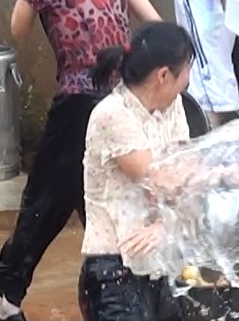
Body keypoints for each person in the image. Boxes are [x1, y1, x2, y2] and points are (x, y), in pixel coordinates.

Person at [0, 0, 161, 321]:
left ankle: (10, 300)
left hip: (78, 103)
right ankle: (125, 291)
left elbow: (17, 29)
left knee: (43, 202)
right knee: (101, 196)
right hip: (125, 99)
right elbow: (152, 21)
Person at [79, 21, 193, 321]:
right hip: (113, 273)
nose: (188, 81)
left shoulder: (173, 107)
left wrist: (164, 227)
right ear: (163, 75)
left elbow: (184, 173)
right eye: (186, 71)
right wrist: (222, 173)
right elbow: (162, 181)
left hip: (158, 265)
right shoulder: (111, 114)